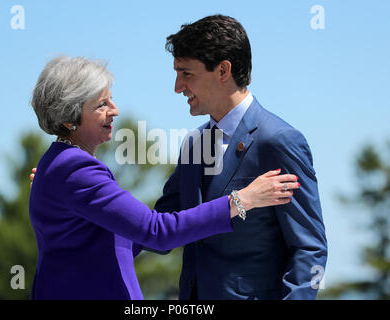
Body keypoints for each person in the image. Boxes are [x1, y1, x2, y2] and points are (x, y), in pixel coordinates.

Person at [28, 55, 299, 300]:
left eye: (110, 99)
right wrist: (240, 200)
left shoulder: (63, 166)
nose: (115, 110)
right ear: (69, 120)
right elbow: (156, 233)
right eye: (101, 104)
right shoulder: (74, 168)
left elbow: (123, 242)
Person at [152, 15, 328, 300]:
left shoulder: (280, 141)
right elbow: (160, 225)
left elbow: (309, 249)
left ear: (223, 71)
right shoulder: (194, 144)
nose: (177, 86)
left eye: (186, 73)